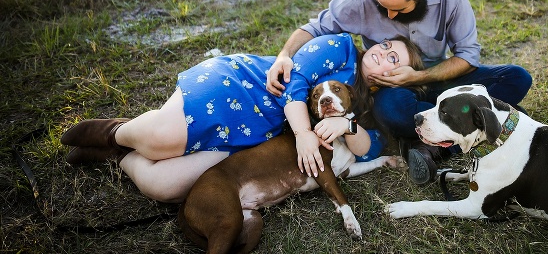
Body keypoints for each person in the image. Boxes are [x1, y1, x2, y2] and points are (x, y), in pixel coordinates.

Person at [266, 0, 532, 186]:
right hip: (392, 88)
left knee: (516, 78)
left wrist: (420, 75)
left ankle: (429, 145)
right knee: (390, 110)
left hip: (438, 75)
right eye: (383, 8)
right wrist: (284, 55)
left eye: (398, 9)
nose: (390, 16)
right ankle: (478, 122)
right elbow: (314, 28)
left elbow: (468, 56)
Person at [60, 33, 424, 203]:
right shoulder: (340, 47)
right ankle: (115, 131)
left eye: (395, 60)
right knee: (160, 141)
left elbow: (366, 149)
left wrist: (348, 124)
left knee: (162, 185)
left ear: (400, 78)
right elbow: (294, 80)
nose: (384, 54)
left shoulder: (366, 106)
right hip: (241, 89)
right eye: (387, 46)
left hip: (258, 137)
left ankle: (117, 155)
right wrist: (302, 133)